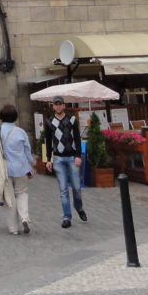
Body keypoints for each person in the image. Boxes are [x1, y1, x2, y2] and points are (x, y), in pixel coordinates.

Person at [0, 104, 34, 235]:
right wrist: (31, 166)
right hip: (21, 168)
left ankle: (13, 229)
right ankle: (24, 217)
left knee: (9, 199)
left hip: (4, 170)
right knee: (22, 193)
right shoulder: (21, 132)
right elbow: (28, 151)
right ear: (15, 117)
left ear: (1, 117)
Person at [44, 97, 86, 229]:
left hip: (72, 157)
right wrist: (48, 159)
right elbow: (48, 140)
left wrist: (78, 155)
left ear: (64, 106)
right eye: (55, 105)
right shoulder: (49, 121)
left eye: (60, 104)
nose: (58, 107)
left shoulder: (72, 120)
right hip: (58, 159)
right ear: (53, 107)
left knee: (76, 187)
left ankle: (79, 208)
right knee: (63, 190)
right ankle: (67, 217)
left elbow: (77, 139)